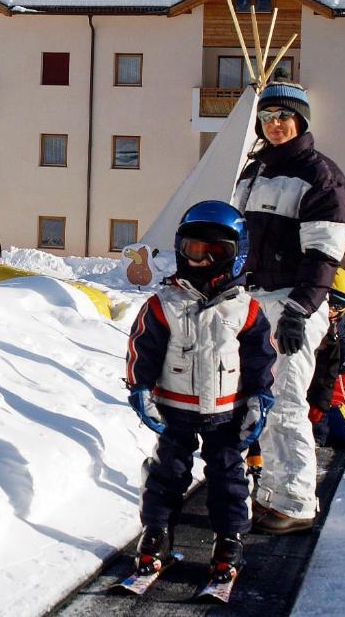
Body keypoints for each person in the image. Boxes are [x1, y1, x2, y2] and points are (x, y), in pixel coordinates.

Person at [125, 200, 276, 583]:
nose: (204, 261)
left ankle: (229, 540)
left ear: (236, 254)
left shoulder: (245, 310)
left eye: (215, 252)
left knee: (228, 477)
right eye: (195, 251)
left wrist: (260, 397)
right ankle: (155, 533)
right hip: (175, 407)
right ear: (180, 249)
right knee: (167, 473)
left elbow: (261, 359)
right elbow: (142, 349)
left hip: (227, 411)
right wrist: (141, 390)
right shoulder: (164, 305)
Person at [231, 80, 345, 535]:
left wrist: (301, 309)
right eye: (267, 117)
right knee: (255, 400)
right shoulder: (253, 169)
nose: (275, 125)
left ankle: (297, 501)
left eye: (283, 117)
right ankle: (270, 494)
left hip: (293, 302)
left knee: (284, 402)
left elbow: (324, 254)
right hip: (253, 299)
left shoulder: (319, 175)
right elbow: (239, 237)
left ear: (300, 120)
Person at [306, 268, 345, 445]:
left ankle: (319, 436)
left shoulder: (338, 321)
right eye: (332, 303)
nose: (333, 310)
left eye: (340, 306)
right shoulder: (310, 315)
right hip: (308, 362)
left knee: (321, 402)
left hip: (325, 368)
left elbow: (344, 338)